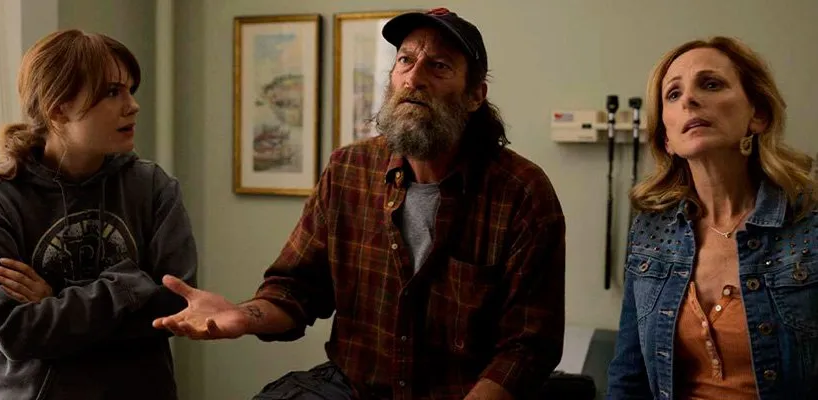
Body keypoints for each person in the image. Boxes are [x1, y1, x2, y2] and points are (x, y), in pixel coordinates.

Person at [154, 7, 566, 400]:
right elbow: (296, 289)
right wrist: (242, 316)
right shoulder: (348, 169)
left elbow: (528, 346)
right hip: (353, 387)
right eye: (405, 60)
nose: (414, 78)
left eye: (439, 66)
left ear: (476, 95)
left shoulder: (521, 192)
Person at [606, 36, 818, 399]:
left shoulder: (808, 223)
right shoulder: (652, 227)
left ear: (757, 115)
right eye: (673, 94)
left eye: (711, 84)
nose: (688, 99)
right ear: (667, 138)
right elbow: (629, 376)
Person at [0, 29, 198, 400]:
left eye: (131, 90)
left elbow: (176, 305)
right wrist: (131, 286)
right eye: (112, 92)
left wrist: (54, 299)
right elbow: (16, 332)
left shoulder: (153, 187)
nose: (133, 106)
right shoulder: (3, 199)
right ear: (58, 107)